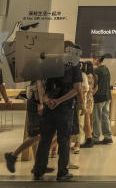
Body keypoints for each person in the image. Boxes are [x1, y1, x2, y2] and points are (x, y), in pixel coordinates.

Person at [32, 44, 83, 181]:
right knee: (64, 140)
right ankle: (62, 172)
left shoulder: (49, 63)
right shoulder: (74, 65)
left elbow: (39, 84)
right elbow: (77, 88)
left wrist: (47, 100)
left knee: (45, 139)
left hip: (49, 107)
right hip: (65, 108)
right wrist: (59, 101)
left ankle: (38, 170)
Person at [4, 82, 44, 174]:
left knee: (38, 136)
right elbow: (36, 87)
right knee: (36, 135)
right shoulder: (38, 71)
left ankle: (38, 165)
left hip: (36, 104)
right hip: (36, 105)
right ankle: (13, 156)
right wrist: (40, 103)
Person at [91, 54, 113, 145]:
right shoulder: (106, 69)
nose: (92, 61)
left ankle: (95, 137)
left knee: (96, 118)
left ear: (97, 60)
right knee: (105, 117)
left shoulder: (96, 70)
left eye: (93, 59)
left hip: (99, 97)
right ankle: (108, 136)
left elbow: (94, 84)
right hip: (107, 96)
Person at [78, 60, 96, 148]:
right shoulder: (94, 76)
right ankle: (89, 138)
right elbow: (96, 88)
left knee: (86, 120)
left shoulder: (87, 76)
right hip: (90, 98)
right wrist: (91, 94)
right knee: (88, 119)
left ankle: (89, 139)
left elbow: (84, 88)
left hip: (86, 99)